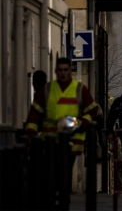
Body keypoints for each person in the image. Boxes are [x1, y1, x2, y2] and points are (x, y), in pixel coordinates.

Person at [25, 57, 99, 210]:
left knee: (63, 175)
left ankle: (63, 202)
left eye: (66, 70)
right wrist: (31, 133)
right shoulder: (48, 89)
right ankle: (52, 202)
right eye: (60, 70)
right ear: (55, 71)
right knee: (49, 176)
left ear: (70, 71)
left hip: (71, 141)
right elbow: (34, 113)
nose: (63, 73)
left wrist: (81, 123)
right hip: (49, 142)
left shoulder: (79, 89)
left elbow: (92, 110)